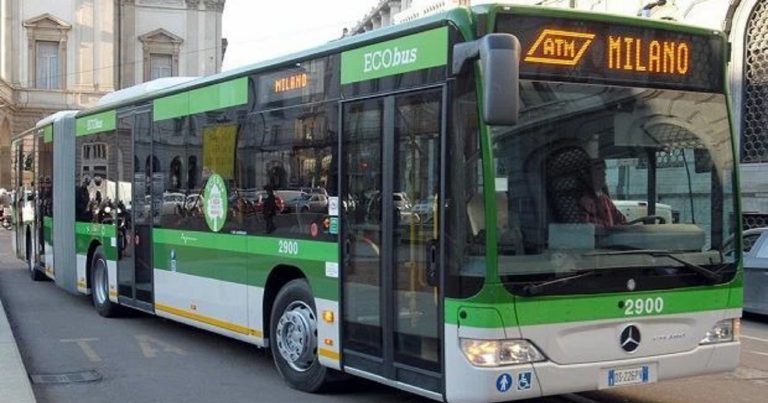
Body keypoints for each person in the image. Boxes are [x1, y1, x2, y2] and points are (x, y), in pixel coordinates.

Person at [547, 146, 626, 227]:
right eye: (599, 169)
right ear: (585, 174)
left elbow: (621, 221)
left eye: (604, 168)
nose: (604, 173)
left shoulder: (604, 199)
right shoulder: (578, 202)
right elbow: (584, 229)